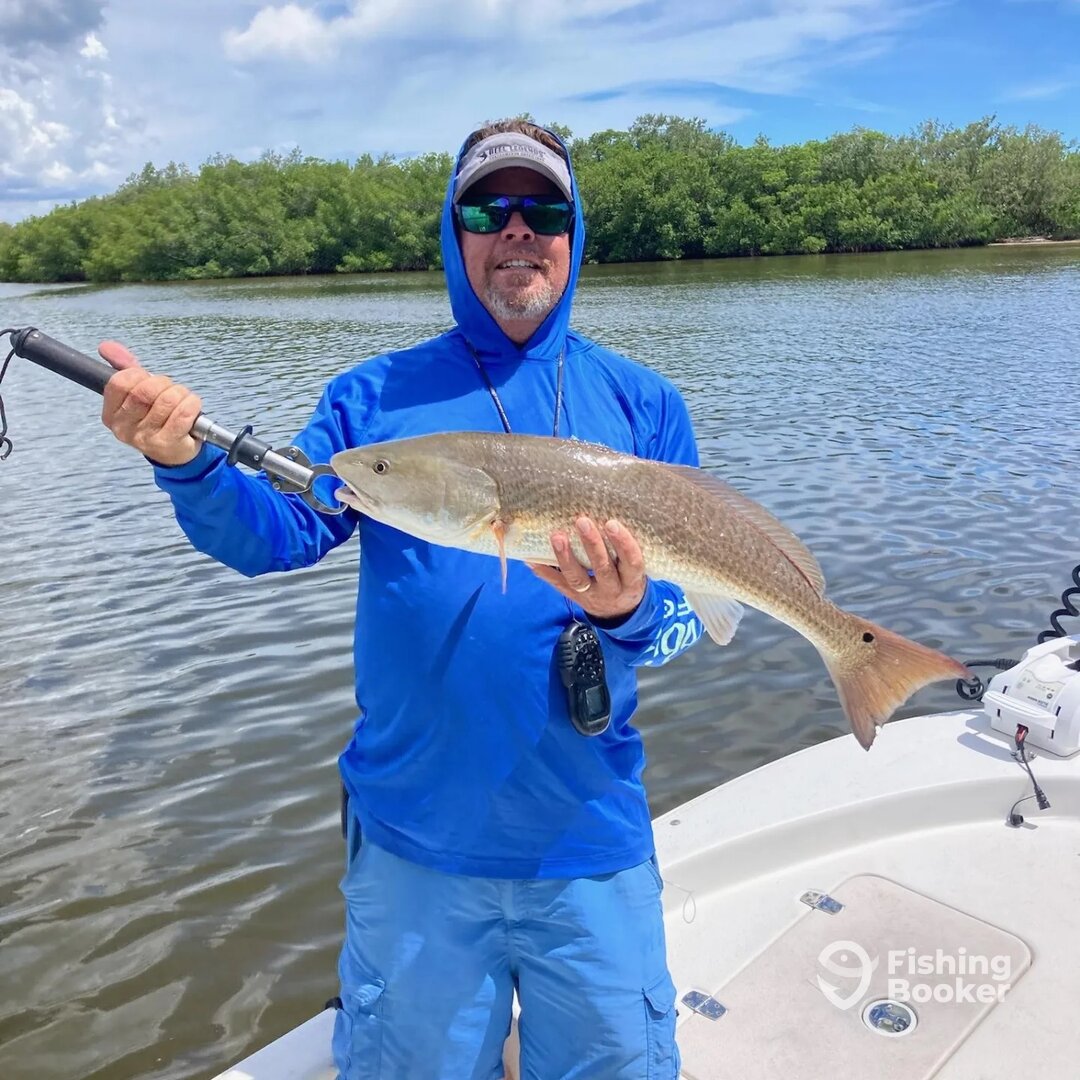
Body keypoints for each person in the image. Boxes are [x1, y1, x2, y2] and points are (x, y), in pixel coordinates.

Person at [98, 119, 705, 1079]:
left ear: (574, 231)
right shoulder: (373, 400)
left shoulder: (645, 407)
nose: (516, 229)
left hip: (588, 834)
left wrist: (628, 614)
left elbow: (685, 621)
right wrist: (188, 464)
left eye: (542, 209)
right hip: (414, 841)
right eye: (486, 210)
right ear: (455, 235)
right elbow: (278, 532)